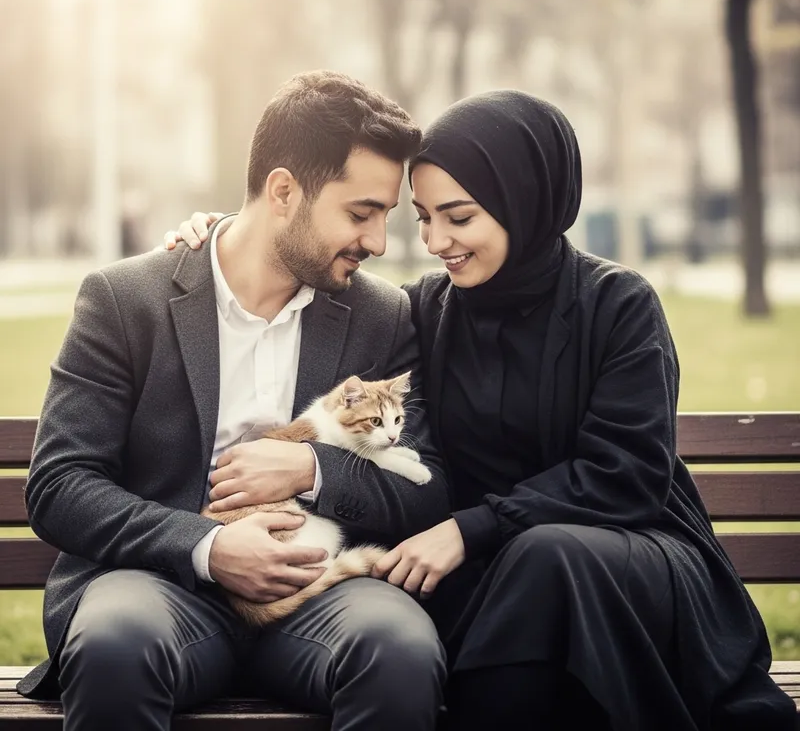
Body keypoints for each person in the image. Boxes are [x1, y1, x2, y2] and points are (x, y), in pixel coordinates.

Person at [170, 90, 796, 730]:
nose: (437, 240)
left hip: (623, 563)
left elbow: (628, 476)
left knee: (550, 555)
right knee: (523, 569)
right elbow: (295, 244)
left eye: (459, 218)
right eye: (423, 218)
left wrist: (471, 528)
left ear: (523, 202)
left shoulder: (617, 304)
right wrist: (228, 233)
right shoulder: (429, 311)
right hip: (482, 576)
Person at [19, 71, 449, 731]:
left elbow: (428, 486)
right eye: (360, 213)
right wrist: (207, 548)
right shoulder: (125, 301)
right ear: (283, 191)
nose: (377, 242)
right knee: (113, 645)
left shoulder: (382, 316)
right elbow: (60, 484)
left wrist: (314, 473)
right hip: (159, 586)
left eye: (385, 216)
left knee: (400, 650)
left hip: (320, 594)